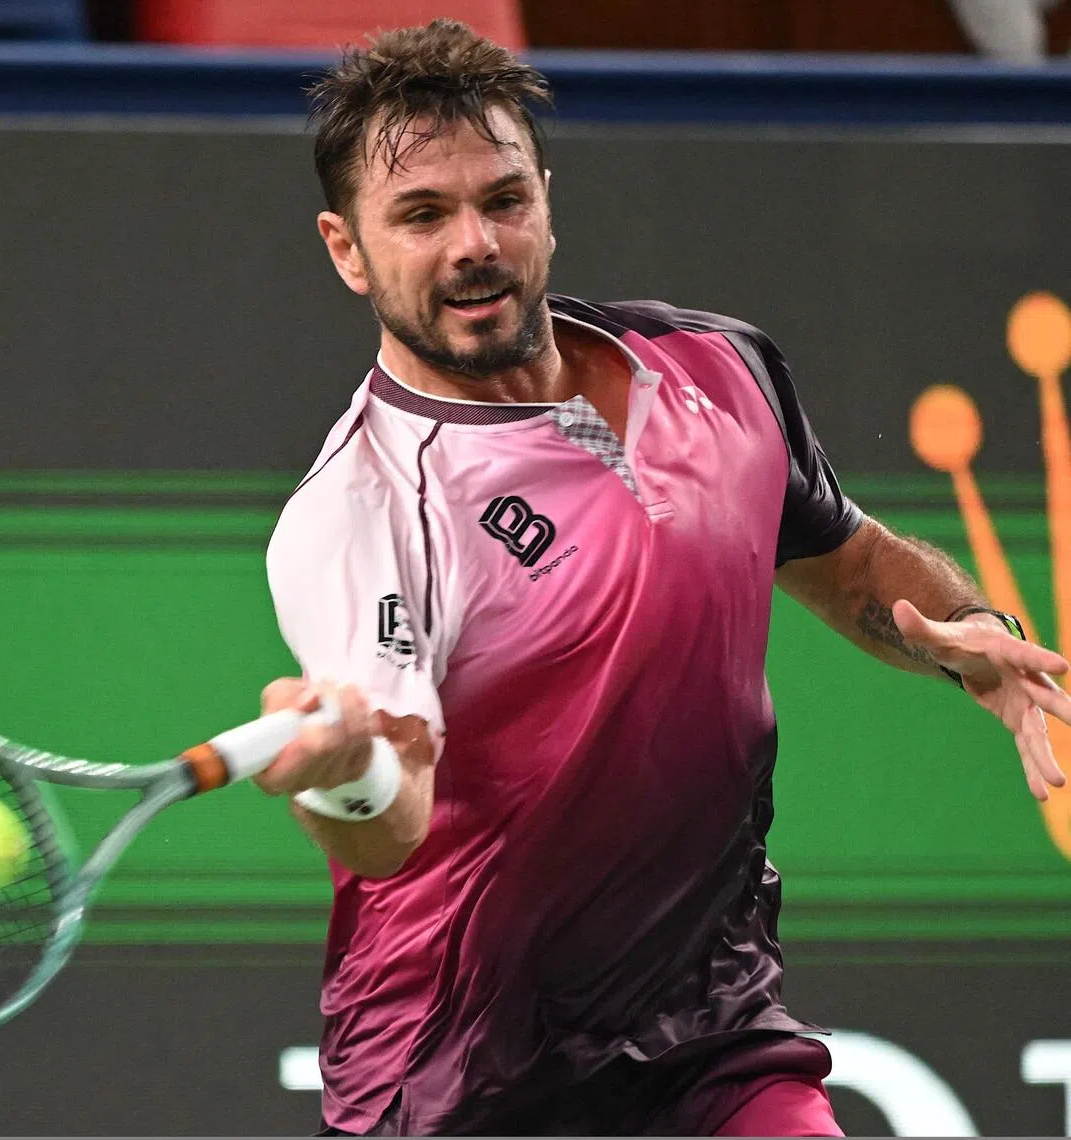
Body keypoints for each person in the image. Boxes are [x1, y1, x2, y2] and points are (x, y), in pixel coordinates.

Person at [254, 19, 1071, 1136]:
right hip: (465, 1077)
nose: (474, 244)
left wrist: (959, 635)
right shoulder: (359, 514)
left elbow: (847, 561)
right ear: (347, 249)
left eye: (501, 198)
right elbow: (390, 819)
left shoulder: (714, 370)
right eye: (421, 215)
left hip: (714, 1037)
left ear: (546, 195)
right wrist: (342, 773)